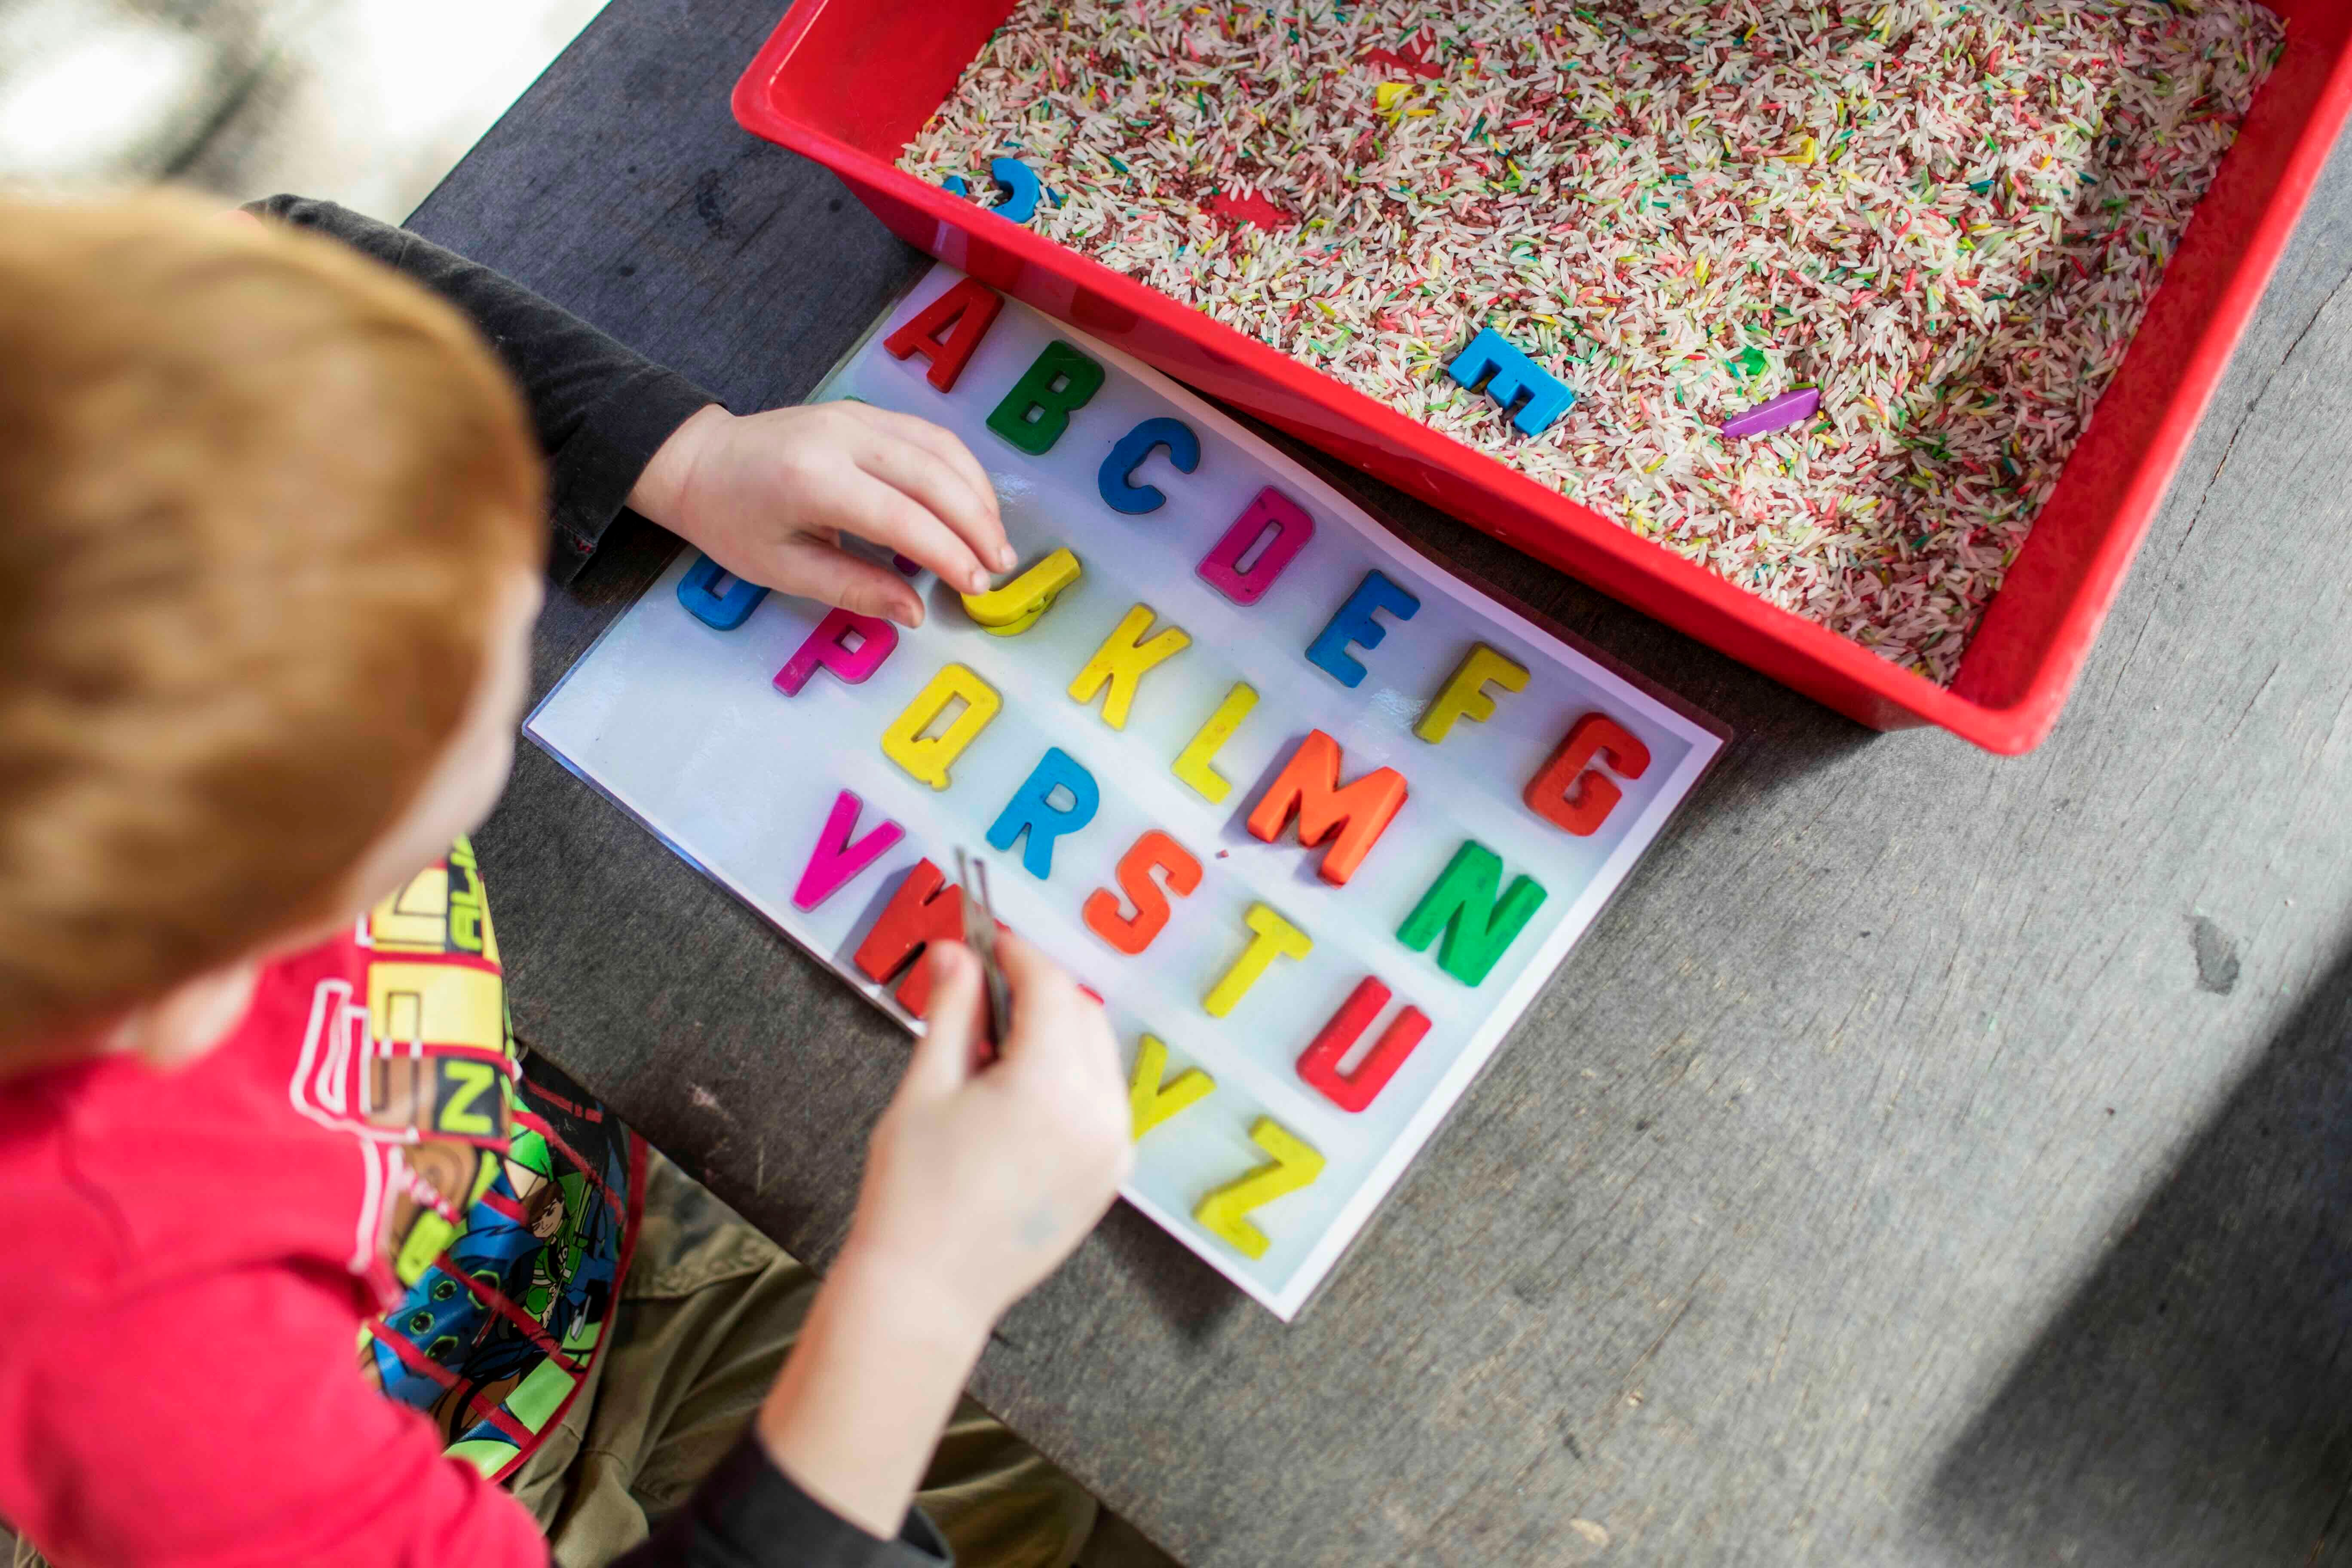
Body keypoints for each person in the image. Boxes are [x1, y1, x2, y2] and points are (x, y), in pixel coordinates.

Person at [0, 190, 1139, 1567]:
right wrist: (922, 1290)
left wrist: (685, 457)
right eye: (467, 672)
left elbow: (272, 270)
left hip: (589, 1218)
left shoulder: (140, 772)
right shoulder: (129, 1352)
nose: (513, 576)